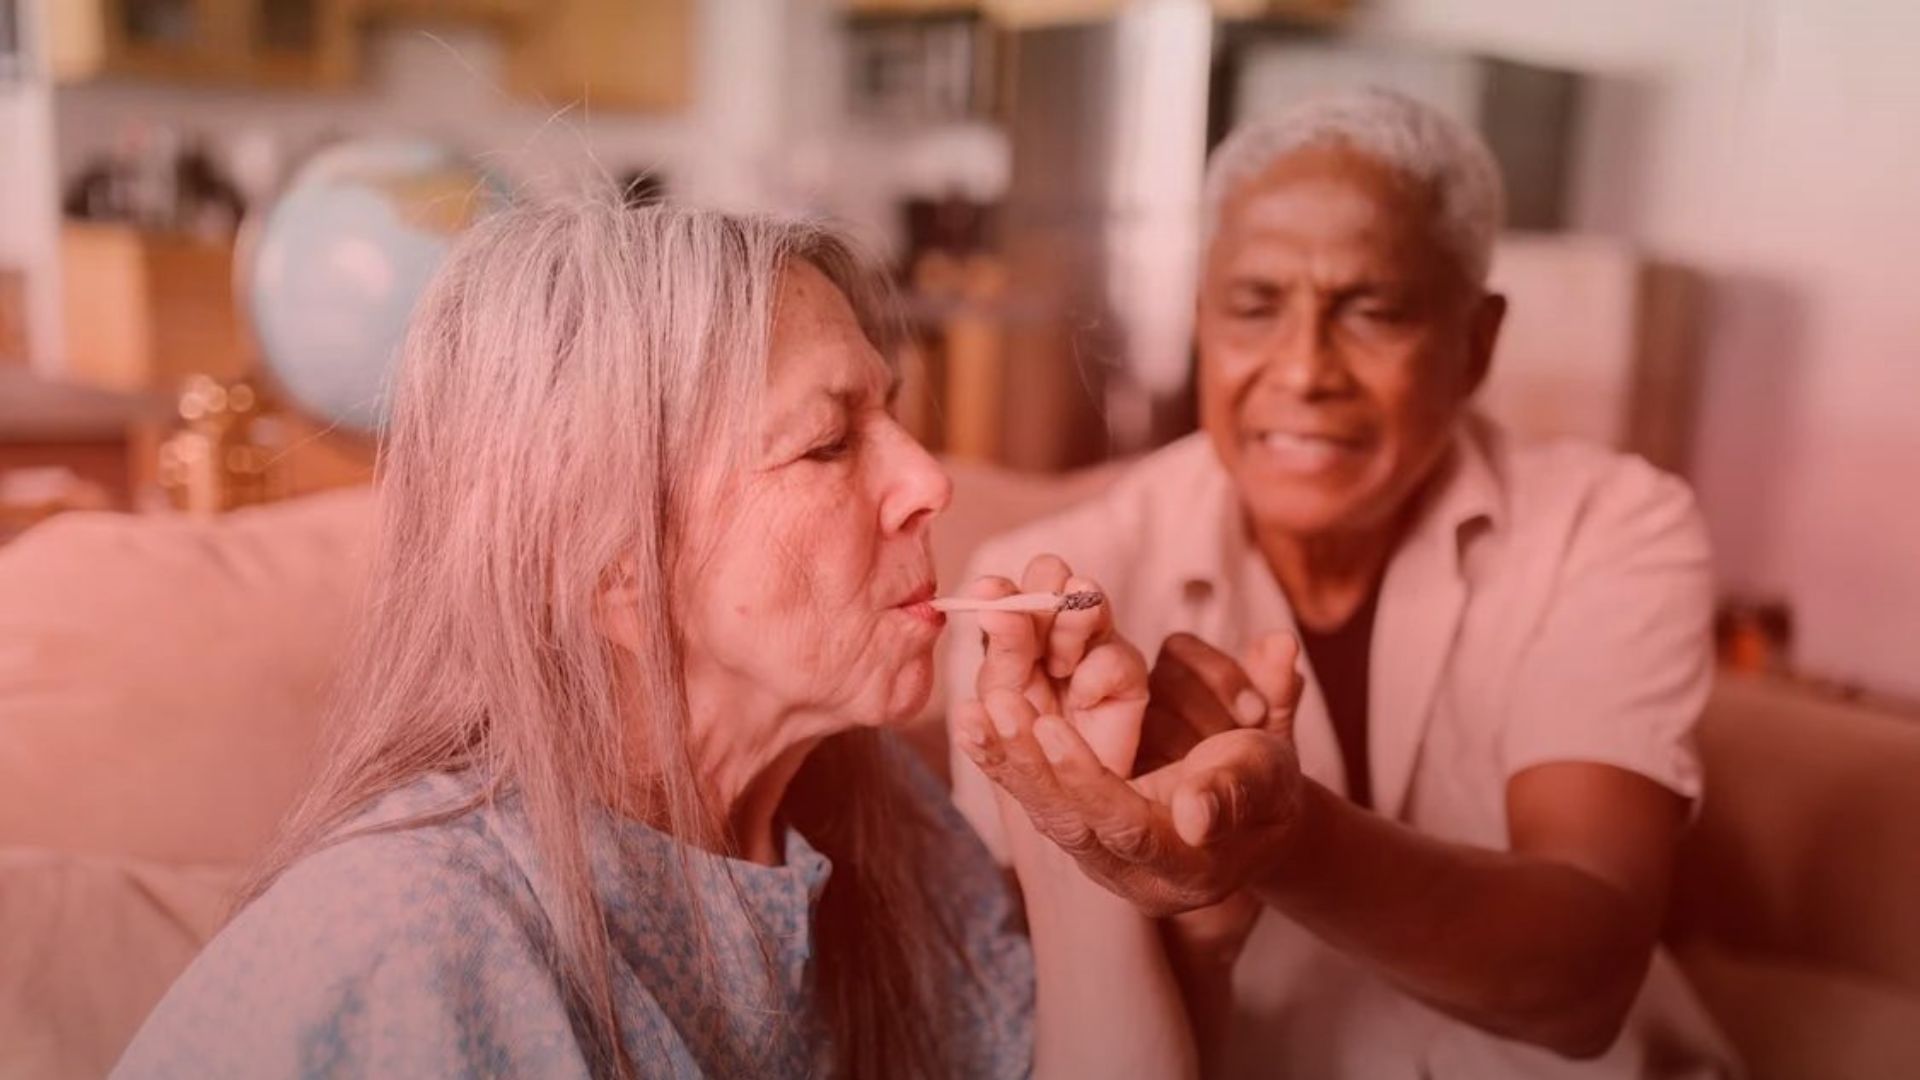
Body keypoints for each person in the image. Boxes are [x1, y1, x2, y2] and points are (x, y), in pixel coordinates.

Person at [112, 202, 1204, 1079]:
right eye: (829, 443)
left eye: (892, 417)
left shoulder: (876, 814)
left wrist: (1081, 838)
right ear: (613, 569)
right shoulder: (419, 946)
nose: (929, 480)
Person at [950, 88, 1738, 1078]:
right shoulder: (1043, 593)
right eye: (1254, 307)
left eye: (1372, 311)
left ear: (1477, 343)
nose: (1305, 369)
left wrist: (1287, 839)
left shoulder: (1610, 524)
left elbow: (1586, 980)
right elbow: (1033, 1007)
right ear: (1203, 323)